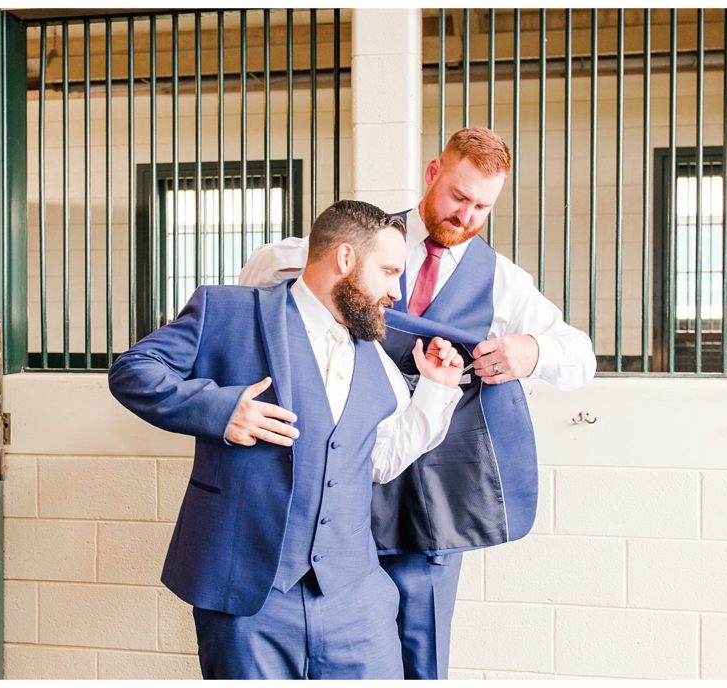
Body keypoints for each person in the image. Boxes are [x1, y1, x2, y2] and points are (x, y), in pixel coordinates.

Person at [238, 128, 597, 679]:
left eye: (483, 206)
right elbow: (267, 267)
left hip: (431, 492)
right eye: (459, 196)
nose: (467, 216)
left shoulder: (502, 279)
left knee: (421, 650)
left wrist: (531, 350)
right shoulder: (365, 240)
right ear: (433, 174)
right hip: (343, 476)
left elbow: (580, 356)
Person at [109, 200, 467, 680]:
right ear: (345, 259)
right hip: (249, 604)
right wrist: (219, 410)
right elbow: (133, 371)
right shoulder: (226, 311)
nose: (395, 292)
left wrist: (436, 392)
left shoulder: (377, 358)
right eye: (387, 272)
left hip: (355, 604)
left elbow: (379, 461)